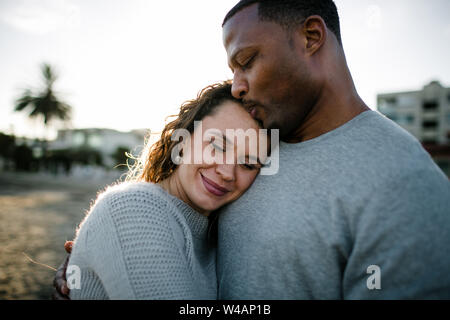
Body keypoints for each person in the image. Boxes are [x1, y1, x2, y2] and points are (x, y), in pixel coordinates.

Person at [55, 0, 450, 300]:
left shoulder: (407, 184)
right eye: (232, 71)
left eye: (246, 61)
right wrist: (96, 266)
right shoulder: (261, 130)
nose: (239, 85)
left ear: (311, 38)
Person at [59, 82, 269, 299]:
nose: (227, 172)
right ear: (183, 139)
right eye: (217, 146)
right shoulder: (132, 207)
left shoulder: (213, 237)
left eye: (248, 164)